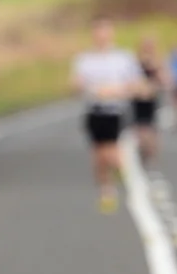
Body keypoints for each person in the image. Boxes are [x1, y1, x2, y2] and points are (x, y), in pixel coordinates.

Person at [70, 20, 143, 212]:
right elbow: (76, 85)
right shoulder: (85, 59)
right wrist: (86, 88)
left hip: (116, 111)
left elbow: (136, 84)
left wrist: (116, 91)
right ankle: (106, 190)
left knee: (110, 152)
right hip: (94, 111)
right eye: (98, 32)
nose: (101, 36)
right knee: (97, 155)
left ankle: (122, 173)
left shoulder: (123, 58)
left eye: (105, 31)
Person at [131, 35, 164, 166]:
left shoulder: (157, 62)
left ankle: (150, 152)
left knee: (150, 127)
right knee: (139, 127)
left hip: (151, 100)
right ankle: (142, 151)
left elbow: (164, 79)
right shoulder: (136, 62)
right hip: (138, 99)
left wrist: (153, 87)